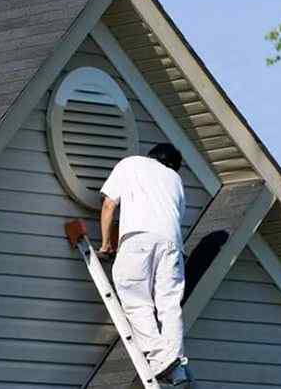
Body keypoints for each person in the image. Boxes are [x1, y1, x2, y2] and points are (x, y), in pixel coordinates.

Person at [99, 143, 190, 386]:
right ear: (173, 165)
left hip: (138, 238)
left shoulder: (130, 163)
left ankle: (162, 360)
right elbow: (174, 217)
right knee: (169, 305)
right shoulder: (175, 180)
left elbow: (109, 205)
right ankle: (176, 366)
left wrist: (106, 244)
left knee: (137, 301)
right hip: (172, 244)